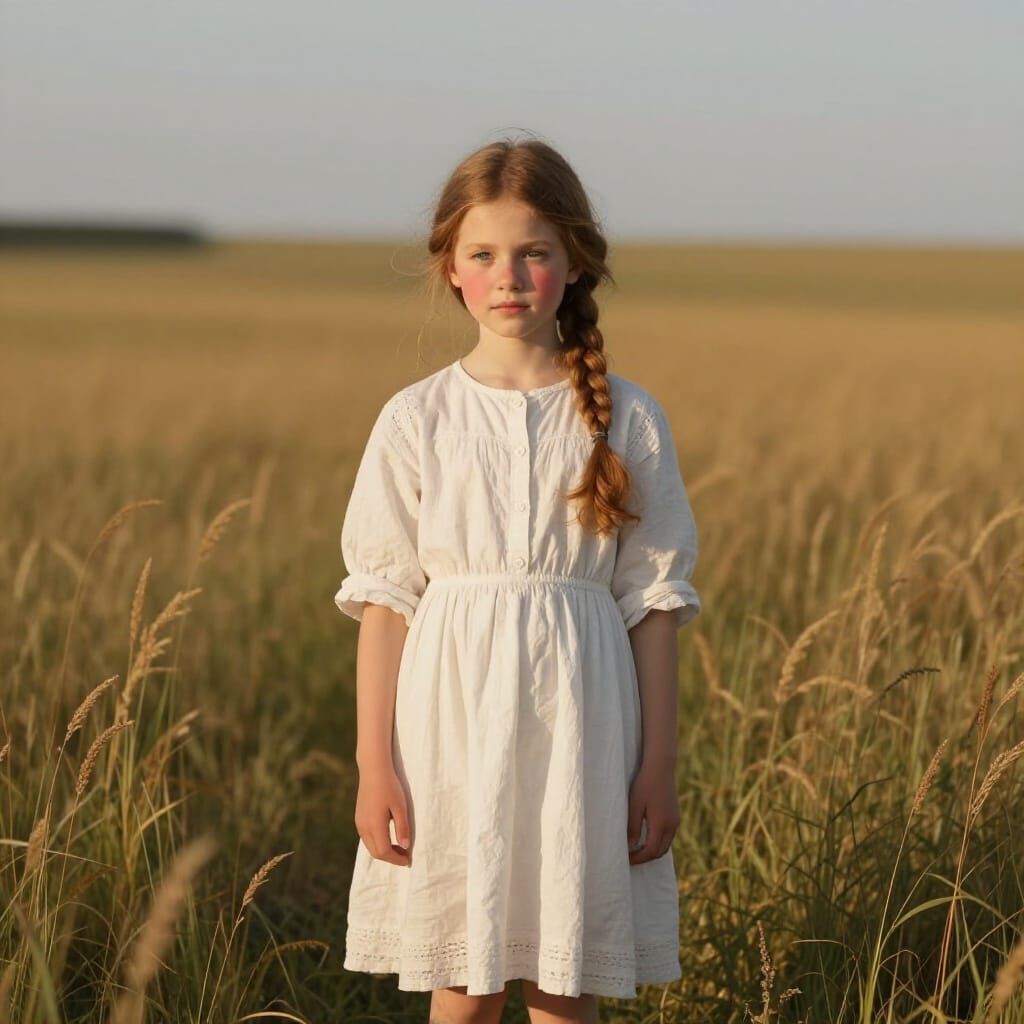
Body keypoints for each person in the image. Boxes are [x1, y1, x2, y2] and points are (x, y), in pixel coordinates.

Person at [335, 136, 702, 1024]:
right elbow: (384, 604)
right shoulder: (416, 417)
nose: (510, 276)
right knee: (464, 981)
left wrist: (657, 764)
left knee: (565, 981)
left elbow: (653, 605)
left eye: (534, 252)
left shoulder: (627, 418)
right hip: (450, 728)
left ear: (574, 263)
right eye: (484, 255)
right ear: (450, 270)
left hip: (585, 724)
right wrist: (373, 764)